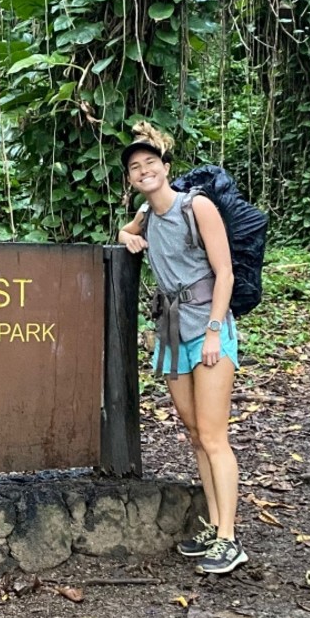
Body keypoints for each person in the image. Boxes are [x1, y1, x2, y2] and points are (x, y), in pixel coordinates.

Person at [116, 122, 246, 574]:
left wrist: (214, 331)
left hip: (206, 330)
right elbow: (125, 230)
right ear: (131, 180)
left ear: (166, 168)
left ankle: (230, 538)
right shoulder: (148, 217)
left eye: (150, 163)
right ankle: (213, 526)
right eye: (135, 167)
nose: (144, 170)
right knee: (194, 435)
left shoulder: (198, 207)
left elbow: (225, 273)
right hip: (171, 334)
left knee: (214, 436)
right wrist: (126, 235)